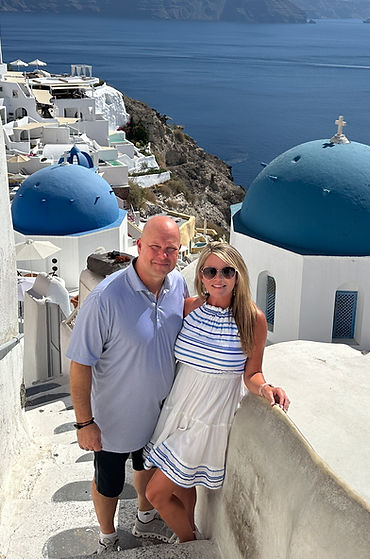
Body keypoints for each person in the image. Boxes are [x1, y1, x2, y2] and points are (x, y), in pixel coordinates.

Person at [143, 242, 289, 543]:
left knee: (154, 493)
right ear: (201, 275)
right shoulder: (189, 308)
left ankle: (188, 540)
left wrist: (265, 388)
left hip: (207, 420)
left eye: (226, 270)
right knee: (183, 485)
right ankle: (190, 531)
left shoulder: (252, 319)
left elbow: (251, 372)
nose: (218, 277)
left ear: (238, 275)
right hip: (177, 408)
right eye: (210, 270)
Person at [67, 215, 188, 553]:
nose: (162, 255)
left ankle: (144, 519)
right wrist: (84, 423)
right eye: (155, 247)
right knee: (109, 483)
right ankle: (107, 537)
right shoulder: (105, 298)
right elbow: (80, 364)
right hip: (111, 421)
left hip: (159, 415)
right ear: (138, 246)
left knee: (146, 466)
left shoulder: (178, 285)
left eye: (170, 249)